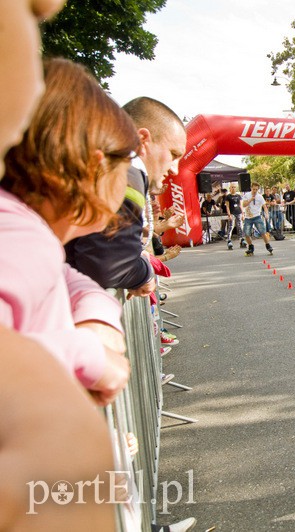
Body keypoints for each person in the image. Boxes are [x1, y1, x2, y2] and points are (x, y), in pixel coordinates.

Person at [0, 2, 119, 528]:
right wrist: (88, 355)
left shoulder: (31, 234)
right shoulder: (19, 234)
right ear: (96, 166)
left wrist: (96, 310)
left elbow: (67, 279)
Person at [65, 96, 187, 299]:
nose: (174, 169)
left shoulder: (97, 162)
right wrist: (143, 274)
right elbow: (109, 264)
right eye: (173, 154)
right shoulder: (126, 173)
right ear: (142, 140)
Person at [241, 182, 273, 256]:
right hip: (248, 217)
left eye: (256, 189)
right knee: (247, 233)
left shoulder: (260, 196)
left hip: (257, 216)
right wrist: (250, 200)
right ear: (251, 188)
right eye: (253, 189)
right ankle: (250, 247)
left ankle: (268, 245)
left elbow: (264, 206)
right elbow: (244, 204)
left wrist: (267, 214)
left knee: (263, 232)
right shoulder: (247, 195)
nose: (255, 191)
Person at [225, 183, 245, 249]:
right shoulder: (228, 196)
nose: (233, 188)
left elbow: (241, 205)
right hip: (232, 213)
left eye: (234, 187)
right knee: (231, 226)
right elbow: (227, 206)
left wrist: (243, 214)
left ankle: (242, 239)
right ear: (230, 188)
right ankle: (229, 240)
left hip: (238, 212)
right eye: (232, 187)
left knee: (240, 226)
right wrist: (229, 214)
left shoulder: (239, 196)